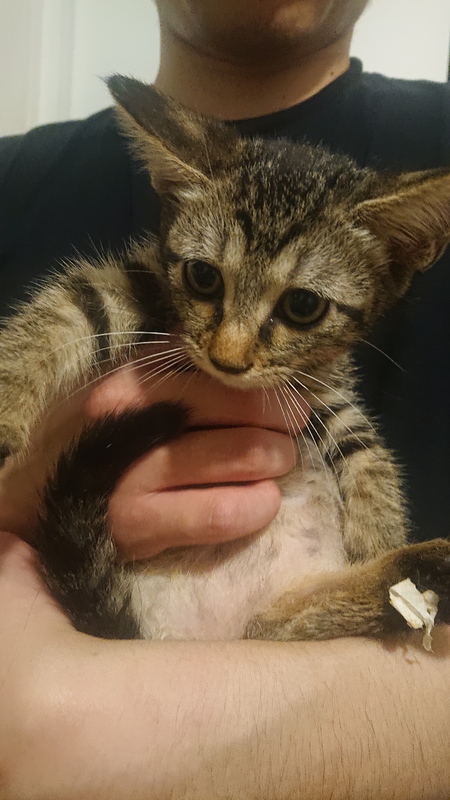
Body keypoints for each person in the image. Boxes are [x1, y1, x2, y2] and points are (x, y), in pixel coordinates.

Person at [1, 1, 450, 797]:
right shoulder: (17, 178)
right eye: (205, 281)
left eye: (300, 307)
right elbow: (78, 309)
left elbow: (354, 453)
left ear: (403, 252)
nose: (231, 349)